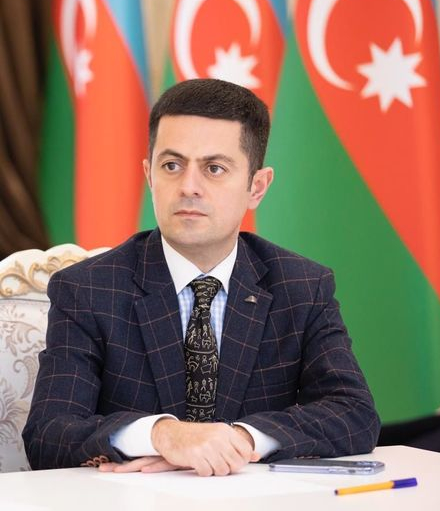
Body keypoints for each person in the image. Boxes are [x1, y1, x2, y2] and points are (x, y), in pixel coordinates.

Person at [23, 79, 380, 476]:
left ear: (257, 187)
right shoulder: (88, 289)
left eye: (214, 169)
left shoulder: (301, 287)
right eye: (172, 166)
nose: (188, 187)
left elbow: (354, 413)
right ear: (149, 175)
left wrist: (239, 441)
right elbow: (48, 434)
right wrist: (162, 435)